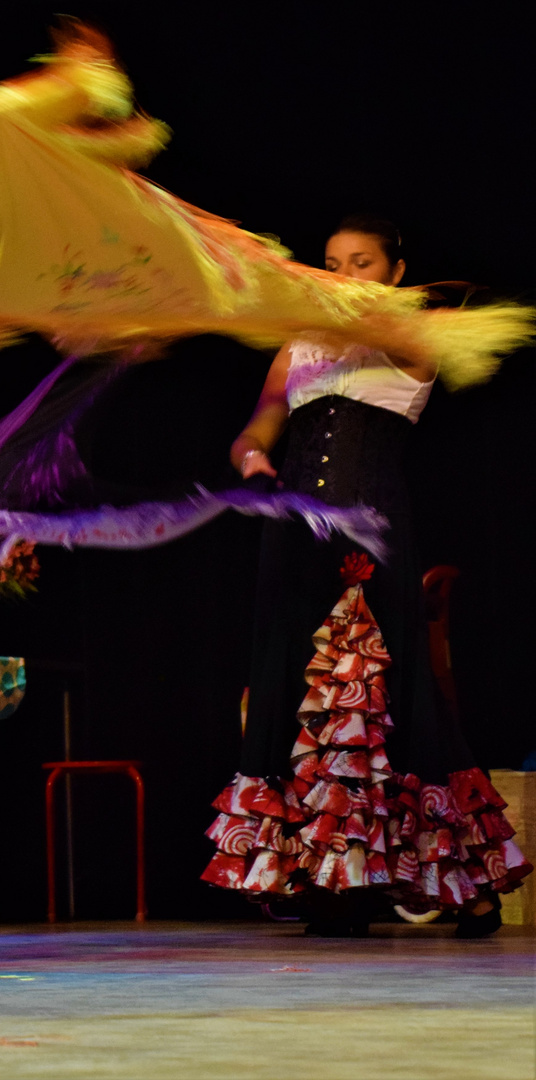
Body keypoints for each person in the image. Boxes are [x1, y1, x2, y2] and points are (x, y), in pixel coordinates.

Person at [201, 215, 530, 935]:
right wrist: (253, 456)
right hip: (294, 540)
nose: (345, 273)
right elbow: (256, 427)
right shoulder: (299, 346)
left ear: (395, 272)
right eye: (333, 262)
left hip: (369, 535)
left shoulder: (411, 341)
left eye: (362, 263)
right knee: (300, 702)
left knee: (386, 698)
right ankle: (330, 884)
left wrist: (361, 312)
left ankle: (460, 884)